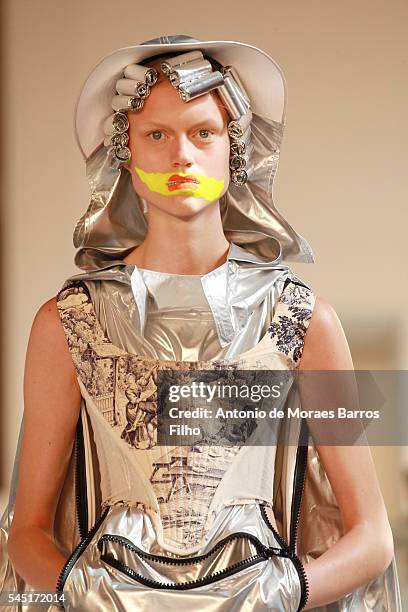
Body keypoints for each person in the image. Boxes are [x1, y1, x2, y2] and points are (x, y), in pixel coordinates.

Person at [0, 34, 402, 611]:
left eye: (202, 133)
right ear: (126, 152)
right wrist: (88, 592)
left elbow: (374, 539)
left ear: (235, 148)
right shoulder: (70, 323)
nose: (180, 156)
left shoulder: (301, 320)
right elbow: (26, 532)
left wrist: (276, 593)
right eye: (156, 135)